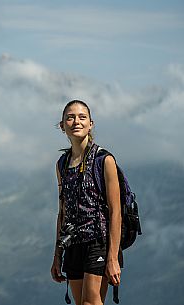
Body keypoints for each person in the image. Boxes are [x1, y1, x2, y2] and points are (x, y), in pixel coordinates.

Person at [51, 100, 123, 305]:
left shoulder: (104, 160)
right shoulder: (62, 164)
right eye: (70, 117)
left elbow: (115, 212)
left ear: (91, 124)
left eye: (82, 117)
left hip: (99, 241)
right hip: (73, 242)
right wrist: (57, 255)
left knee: (91, 302)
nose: (76, 122)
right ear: (62, 125)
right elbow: (62, 212)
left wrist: (112, 258)